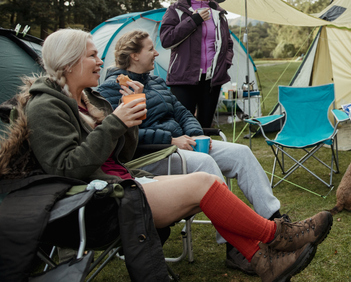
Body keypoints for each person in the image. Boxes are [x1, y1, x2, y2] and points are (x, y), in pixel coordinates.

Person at [10, 29, 333, 282]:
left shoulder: (87, 100)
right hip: (99, 204)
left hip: (121, 184)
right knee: (203, 182)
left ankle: (264, 263)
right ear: (69, 63)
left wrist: (130, 120)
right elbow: (66, 168)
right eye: (92, 55)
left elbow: (121, 151)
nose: (100, 61)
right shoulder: (46, 105)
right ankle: (277, 235)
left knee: (207, 186)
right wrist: (117, 122)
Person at [95, 29, 281, 274]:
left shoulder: (156, 82)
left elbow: (182, 112)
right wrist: (170, 140)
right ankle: (235, 248)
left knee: (241, 153)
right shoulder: (112, 90)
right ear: (133, 55)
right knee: (204, 164)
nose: (156, 53)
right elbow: (129, 135)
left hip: (184, 145)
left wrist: (195, 133)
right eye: (151, 49)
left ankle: (275, 221)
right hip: (151, 156)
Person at [160, 0, 232, 129]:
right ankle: (185, 155)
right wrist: (194, 20)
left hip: (211, 80)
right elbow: (167, 40)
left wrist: (224, 65)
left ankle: (205, 154)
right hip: (184, 78)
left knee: (205, 126)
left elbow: (228, 43)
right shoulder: (177, 10)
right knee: (183, 127)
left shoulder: (217, 13)